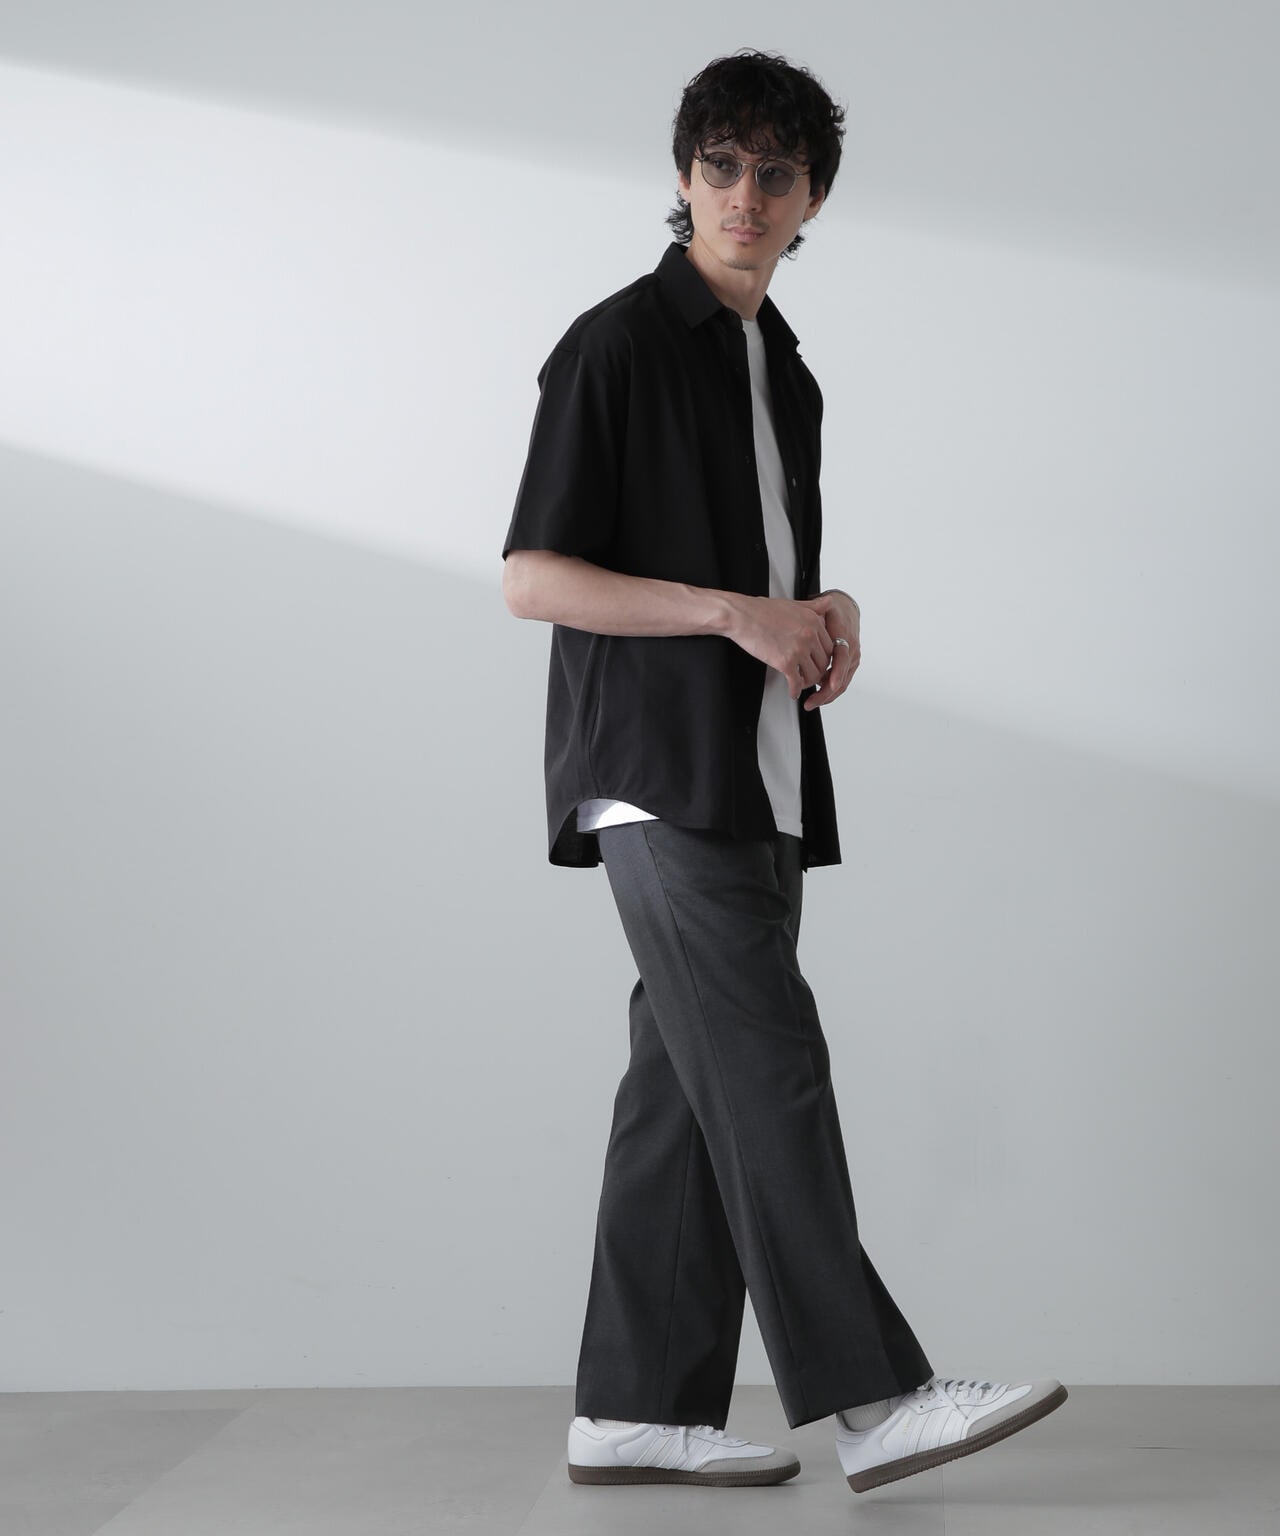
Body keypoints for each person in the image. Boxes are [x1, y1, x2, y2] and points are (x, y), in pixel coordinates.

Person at [501, 48, 1066, 1495]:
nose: (745, 196)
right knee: (768, 1069)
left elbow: (760, 577)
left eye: (776, 173)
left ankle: (634, 1407)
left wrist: (824, 606)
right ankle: (876, 1400)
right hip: (659, 773)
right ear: (683, 175)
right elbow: (533, 578)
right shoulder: (616, 345)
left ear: (813, 198)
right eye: (722, 167)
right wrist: (730, 612)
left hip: (758, 774)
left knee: (687, 1093)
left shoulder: (782, 368)